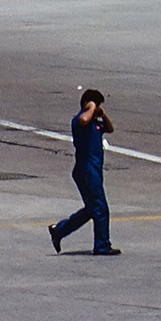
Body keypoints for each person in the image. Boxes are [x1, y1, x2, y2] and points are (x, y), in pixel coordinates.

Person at [48, 89, 119, 255]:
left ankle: (59, 230)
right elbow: (83, 119)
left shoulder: (95, 122)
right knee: (100, 208)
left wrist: (102, 113)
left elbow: (110, 129)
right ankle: (102, 245)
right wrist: (91, 108)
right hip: (86, 170)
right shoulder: (80, 120)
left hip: (93, 169)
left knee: (92, 208)